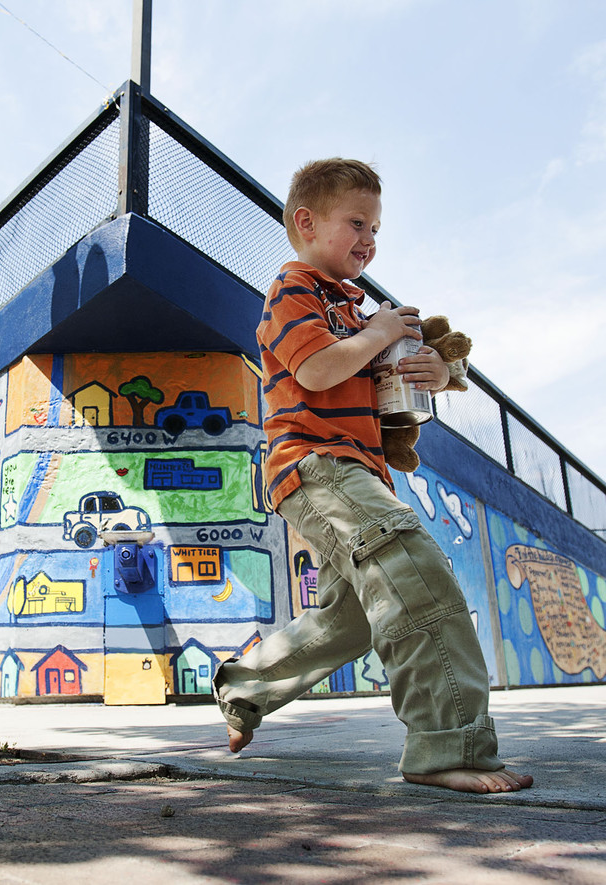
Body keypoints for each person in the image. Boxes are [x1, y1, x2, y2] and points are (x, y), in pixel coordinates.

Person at [212, 158, 532, 794]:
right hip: (315, 463)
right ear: (307, 223)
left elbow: (383, 386)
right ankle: (447, 745)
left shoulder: (354, 310)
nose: (369, 239)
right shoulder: (293, 288)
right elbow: (317, 371)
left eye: (376, 228)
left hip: (358, 469)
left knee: (353, 618)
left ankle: (244, 688)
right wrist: (379, 330)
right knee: (415, 576)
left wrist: (435, 373)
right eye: (356, 223)